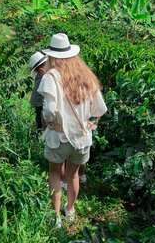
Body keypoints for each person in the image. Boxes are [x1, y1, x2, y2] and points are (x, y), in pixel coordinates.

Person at [38, 33, 107, 227]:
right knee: (73, 175)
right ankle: (70, 210)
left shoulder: (52, 76)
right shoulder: (85, 75)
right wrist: (87, 121)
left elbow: (50, 110)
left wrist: (50, 120)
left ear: (52, 56)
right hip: (82, 137)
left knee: (54, 174)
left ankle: (56, 217)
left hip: (59, 137)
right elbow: (100, 109)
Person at [29, 52, 48, 130]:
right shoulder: (43, 74)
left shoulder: (44, 72)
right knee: (40, 121)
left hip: (41, 100)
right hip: (39, 101)